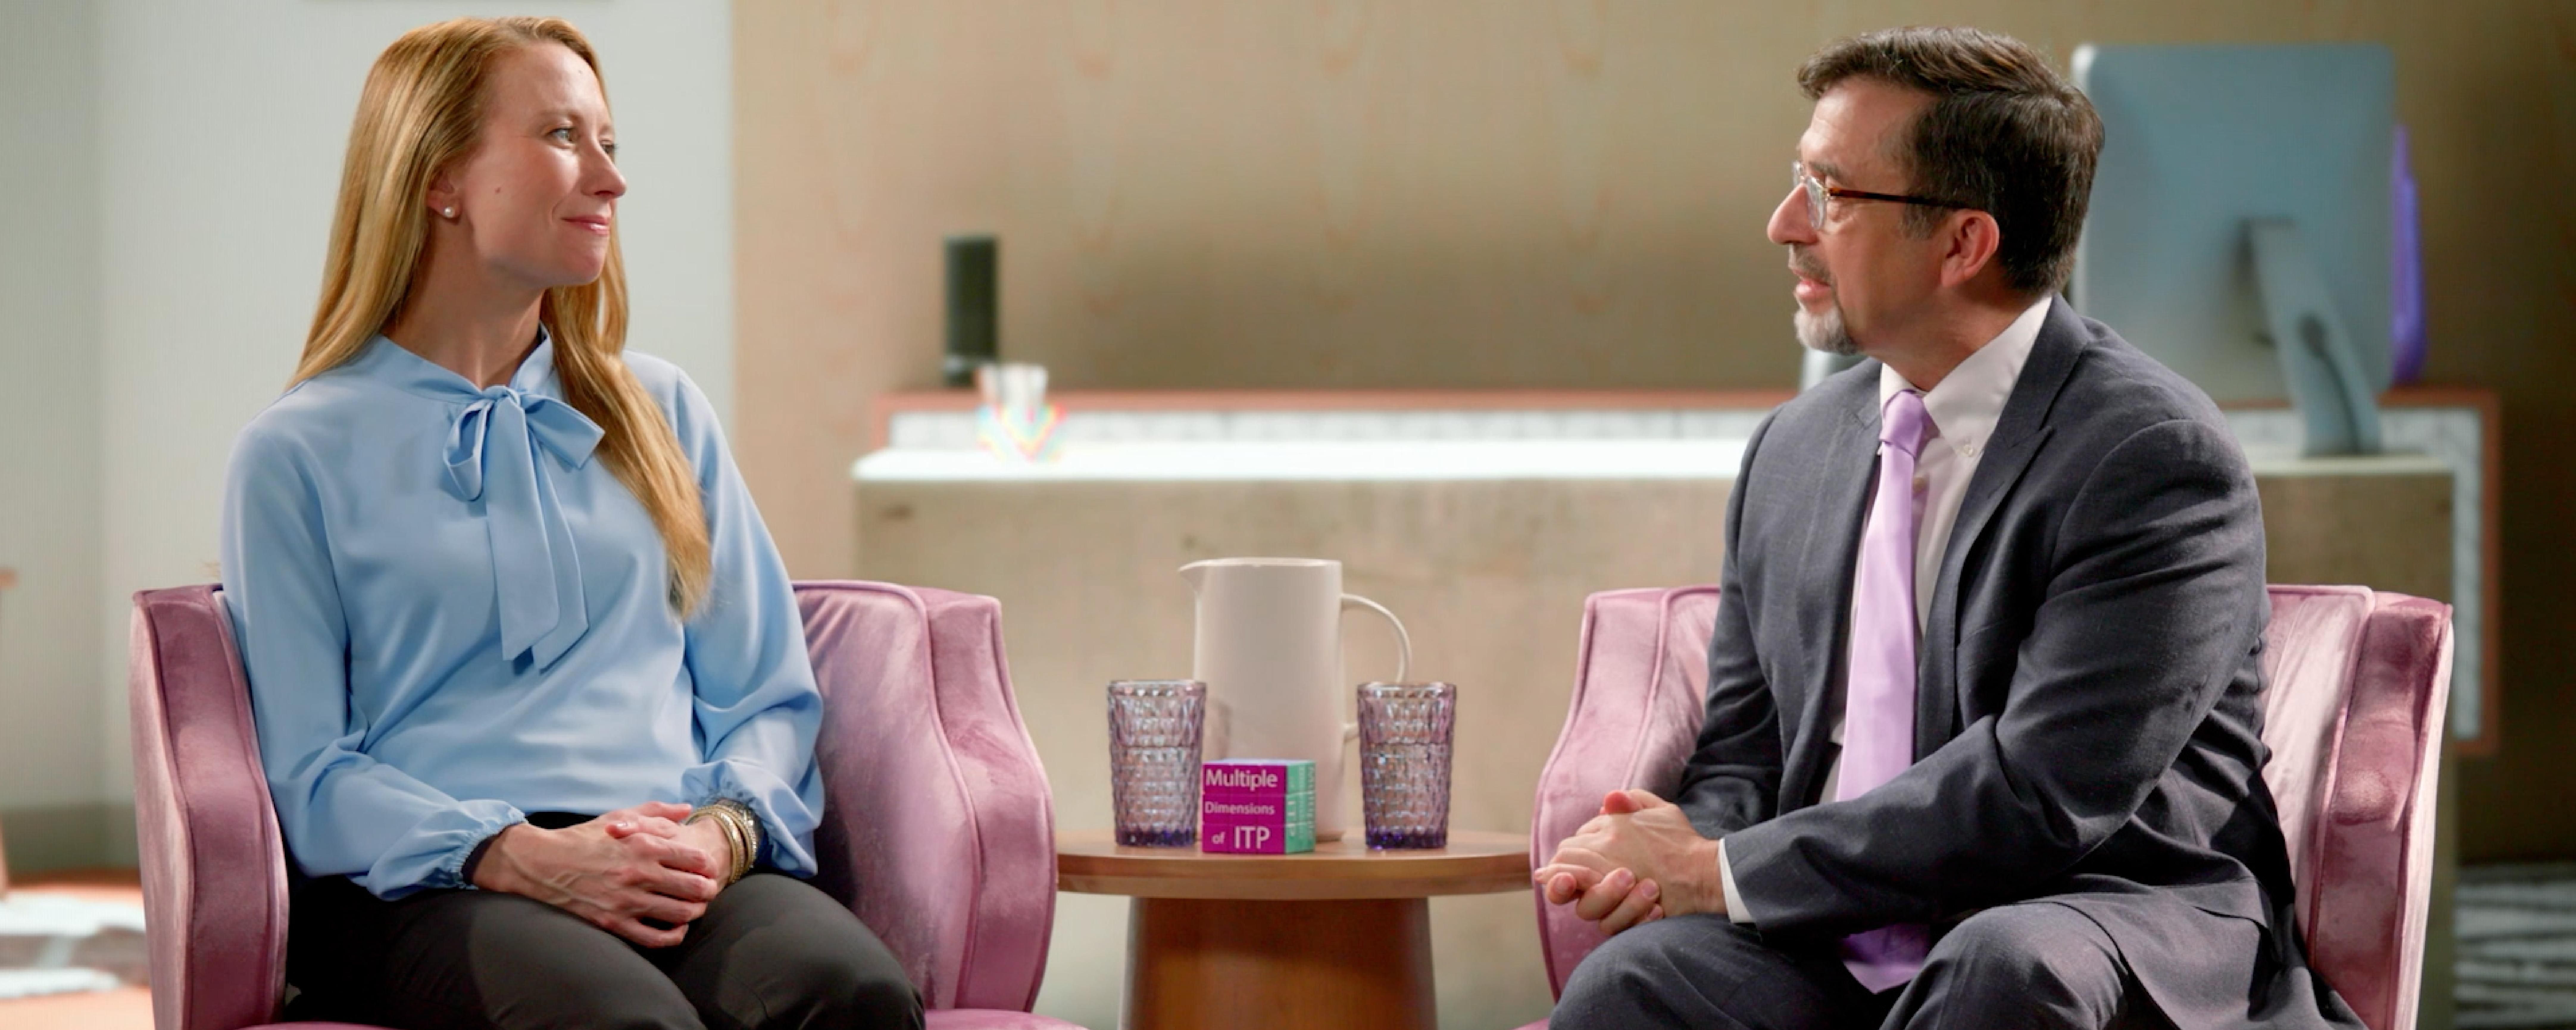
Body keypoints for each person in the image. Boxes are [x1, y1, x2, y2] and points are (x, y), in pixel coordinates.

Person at [1533, 26, 2364, 1030]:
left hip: (2096, 912)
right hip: (1838, 932)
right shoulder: (1790, 452)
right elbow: (1745, 758)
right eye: (1799, 178)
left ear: (1965, 243)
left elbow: (2041, 792)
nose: (1784, 223)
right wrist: (1665, 854)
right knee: (1631, 986)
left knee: (2001, 968)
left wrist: (1720, 868)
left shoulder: (2153, 457)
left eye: (1831, 193)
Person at [219, 17, 923, 1030]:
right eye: (562, 136)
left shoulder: (663, 410)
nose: (610, 180)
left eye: (610, 143)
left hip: (671, 848)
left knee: (855, 994)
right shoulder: (295, 453)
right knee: (622, 1024)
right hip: (430, 884)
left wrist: (721, 836)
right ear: (439, 178)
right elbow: (311, 772)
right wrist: (520, 855)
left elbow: (766, 691)